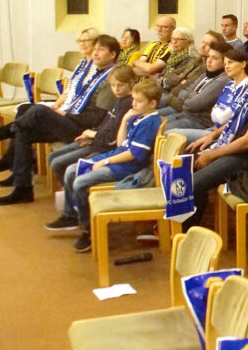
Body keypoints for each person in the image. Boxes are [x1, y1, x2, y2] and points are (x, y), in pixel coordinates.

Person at [0, 34, 120, 205]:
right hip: (72, 120)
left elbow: (97, 118)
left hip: (84, 130)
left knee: (38, 111)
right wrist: (63, 111)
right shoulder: (95, 72)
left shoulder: (110, 79)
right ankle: (23, 187)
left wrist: (66, 115)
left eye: (100, 50)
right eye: (94, 49)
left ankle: (9, 131)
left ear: (113, 54)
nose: (95, 54)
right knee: (24, 123)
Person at [51, 80, 164, 253]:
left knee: (80, 182)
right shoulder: (138, 117)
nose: (133, 104)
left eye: (139, 101)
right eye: (133, 99)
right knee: (70, 171)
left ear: (152, 103)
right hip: (116, 158)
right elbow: (121, 144)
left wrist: (105, 162)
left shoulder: (150, 122)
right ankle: (73, 216)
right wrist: (125, 120)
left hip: (126, 167)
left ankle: (88, 230)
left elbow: (134, 154)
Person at [180, 46, 248, 228]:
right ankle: (177, 221)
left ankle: (187, 232)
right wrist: (212, 136)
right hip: (233, 146)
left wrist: (212, 154)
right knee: (182, 163)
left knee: (194, 182)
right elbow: (236, 121)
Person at [45, 64, 136, 190]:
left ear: (131, 83)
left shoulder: (129, 104)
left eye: (120, 85)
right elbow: (105, 125)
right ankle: (69, 193)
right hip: (96, 140)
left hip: (104, 148)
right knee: (52, 158)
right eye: (113, 85)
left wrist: (91, 134)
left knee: (62, 166)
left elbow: (112, 139)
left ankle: (73, 201)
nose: (116, 89)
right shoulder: (117, 99)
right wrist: (91, 135)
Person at [163, 41, 232, 130]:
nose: (209, 61)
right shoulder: (205, 74)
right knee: (152, 124)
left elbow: (192, 105)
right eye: (208, 57)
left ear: (225, 62)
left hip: (199, 122)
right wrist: (192, 95)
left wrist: (188, 96)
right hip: (185, 115)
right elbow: (184, 91)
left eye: (214, 58)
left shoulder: (222, 81)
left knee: (162, 129)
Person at [159, 27, 203, 100]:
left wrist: (164, 81)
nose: (174, 42)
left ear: (189, 41)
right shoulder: (172, 56)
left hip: (175, 95)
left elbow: (177, 80)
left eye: (178, 39)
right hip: (163, 90)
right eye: (173, 39)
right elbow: (161, 75)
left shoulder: (193, 59)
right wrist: (164, 80)